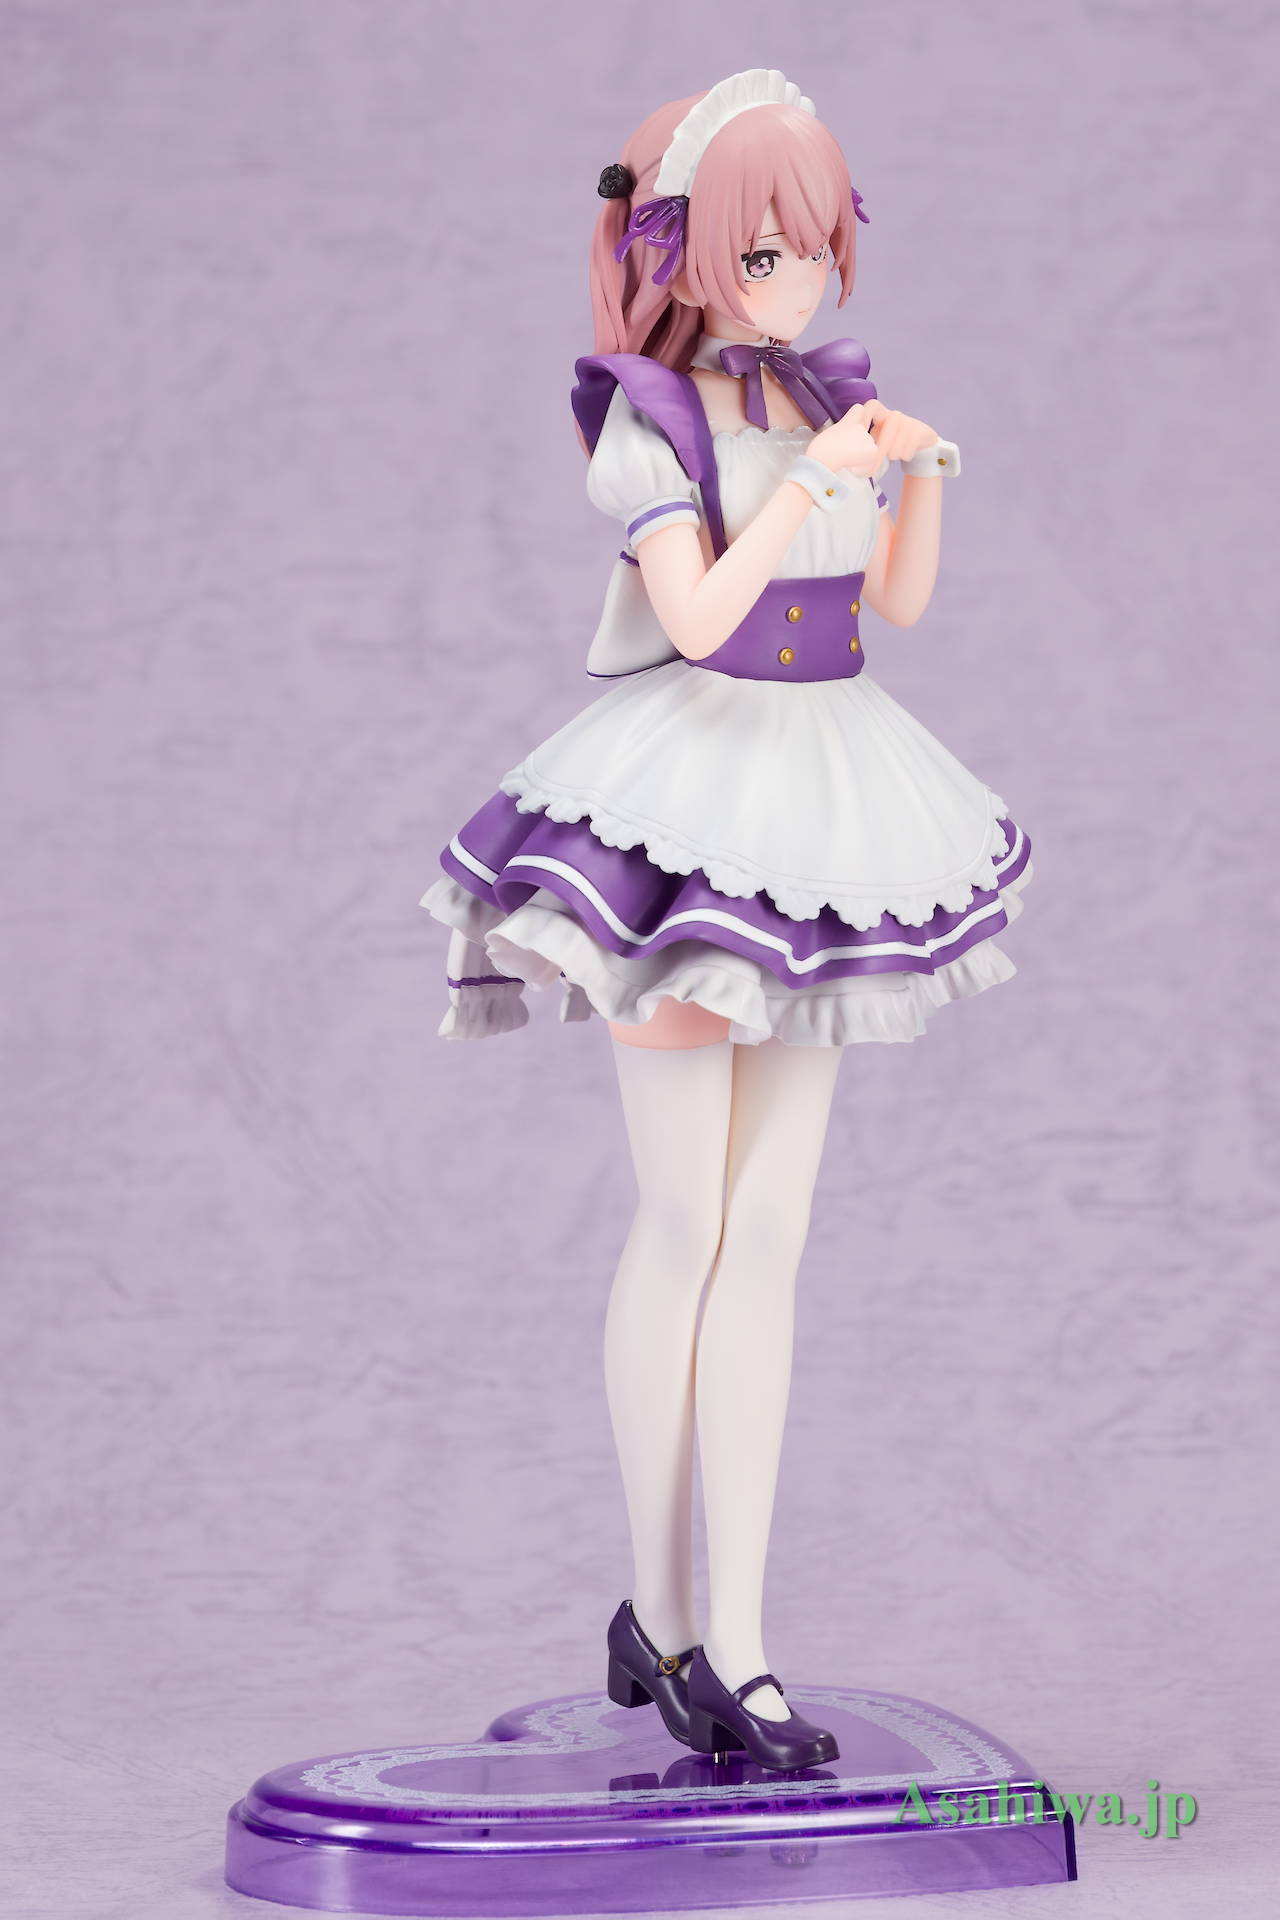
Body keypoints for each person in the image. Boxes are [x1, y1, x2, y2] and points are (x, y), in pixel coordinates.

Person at [420, 68, 1033, 1772]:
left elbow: (895, 603)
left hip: (823, 800)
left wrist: (917, 476)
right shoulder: (655, 420)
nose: (799, 280)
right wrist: (808, 482)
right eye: (767, 252)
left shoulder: (824, 393)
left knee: (772, 1233)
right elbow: (692, 618)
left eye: (817, 246)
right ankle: (668, 1616)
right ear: (689, 252)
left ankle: (740, 1642)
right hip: (688, 806)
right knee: (685, 1220)